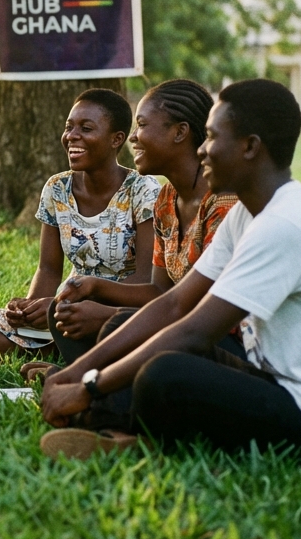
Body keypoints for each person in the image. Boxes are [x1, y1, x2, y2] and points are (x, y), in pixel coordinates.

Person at [40, 79, 301, 459]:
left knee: (165, 373)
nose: (203, 149)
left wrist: (89, 385)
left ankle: (114, 423)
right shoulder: (248, 213)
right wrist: (75, 371)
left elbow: (195, 330)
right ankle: (120, 430)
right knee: (130, 332)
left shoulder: (284, 223)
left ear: (250, 147)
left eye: (211, 137)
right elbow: (173, 302)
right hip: (265, 374)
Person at [41, 79, 237, 367]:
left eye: (142, 125)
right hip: (177, 324)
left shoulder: (223, 204)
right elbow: (158, 291)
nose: (133, 137)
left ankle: (92, 377)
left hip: (219, 340)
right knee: (67, 309)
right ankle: (94, 374)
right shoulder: (166, 199)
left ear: (179, 132)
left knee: (113, 325)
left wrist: (110, 315)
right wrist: (93, 286)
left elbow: (204, 313)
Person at [0, 88, 159, 359]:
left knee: (126, 330)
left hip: (119, 310)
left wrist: (61, 305)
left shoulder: (143, 190)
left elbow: (146, 278)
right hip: (68, 307)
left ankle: (75, 348)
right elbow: (48, 268)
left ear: (117, 139)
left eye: (86, 128)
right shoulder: (57, 188)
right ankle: (65, 347)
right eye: (69, 127)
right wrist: (30, 309)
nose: (72, 136)